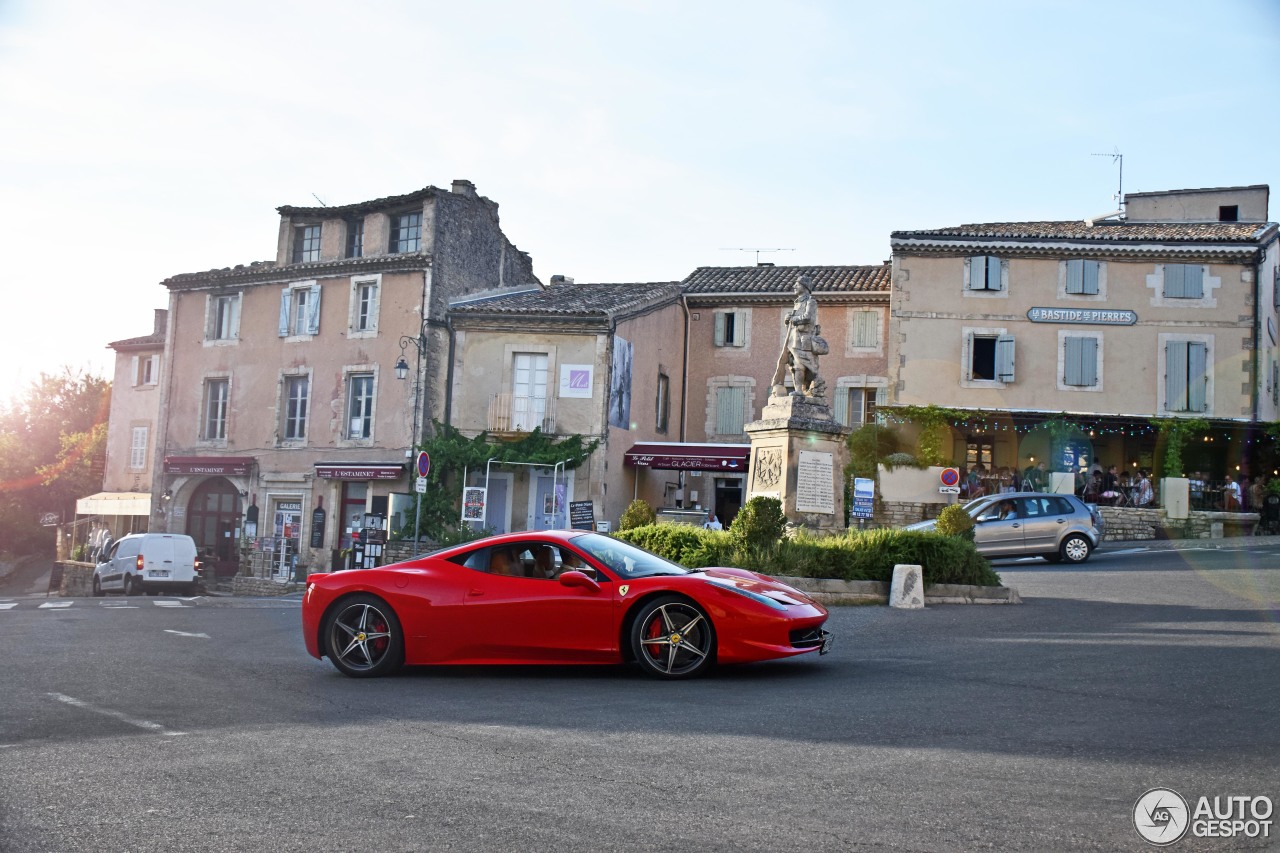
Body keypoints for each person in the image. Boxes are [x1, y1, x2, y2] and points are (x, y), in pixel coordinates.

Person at [770, 275, 826, 400]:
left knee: (803, 365)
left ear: (804, 286)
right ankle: (798, 390)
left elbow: (808, 318)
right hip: (793, 339)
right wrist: (787, 320)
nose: (794, 286)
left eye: (797, 284)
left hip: (803, 340)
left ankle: (803, 390)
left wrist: (793, 319)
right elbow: (794, 324)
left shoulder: (810, 302)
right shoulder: (797, 303)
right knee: (794, 366)